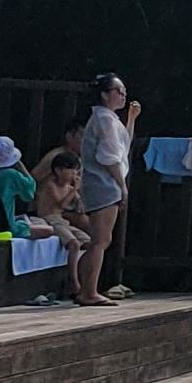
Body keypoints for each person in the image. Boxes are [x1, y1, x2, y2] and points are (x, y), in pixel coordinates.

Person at [74, 72, 140, 303]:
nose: (123, 95)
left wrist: (131, 119)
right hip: (104, 183)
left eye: (124, 92)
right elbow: (109, 157)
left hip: (104, 183)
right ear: (104, 94)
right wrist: (122, 187)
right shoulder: (104, 119)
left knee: (103, 239)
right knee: (100, 240)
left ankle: (82, 287)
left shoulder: (108, 118)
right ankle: (88, 292)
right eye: (118, 91)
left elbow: (122, 146)